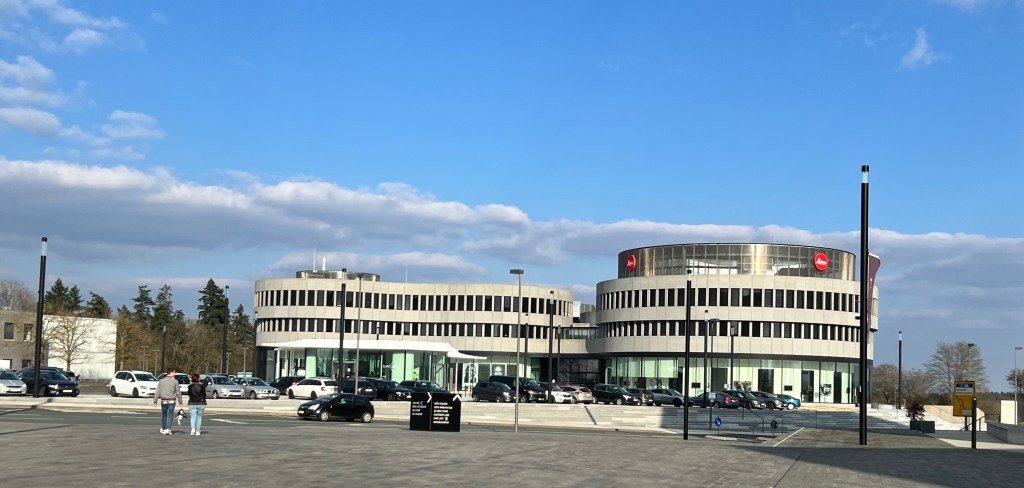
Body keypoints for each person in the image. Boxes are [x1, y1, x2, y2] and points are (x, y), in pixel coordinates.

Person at [154, 367, 183, 435]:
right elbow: (178, 392)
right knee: (170, 414)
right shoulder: (175, 381)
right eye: (174, 372)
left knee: (164, 414)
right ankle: (168, 429)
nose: (175, 373)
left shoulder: (161, 381)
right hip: (172, 400)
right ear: (171, 372)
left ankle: (164, 428)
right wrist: (180, 401)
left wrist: (155, 400)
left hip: (164, 399)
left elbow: (158, 391)